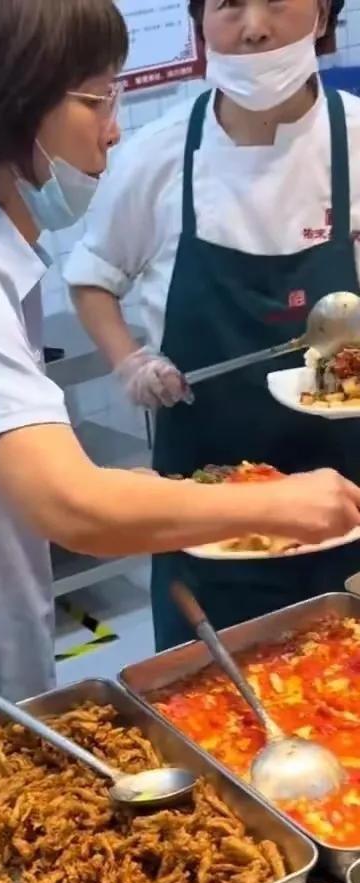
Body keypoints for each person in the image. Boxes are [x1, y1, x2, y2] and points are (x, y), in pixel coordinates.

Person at [0, 0, 360, 783]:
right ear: (13, 106)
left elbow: (21, 477)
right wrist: (280, 504)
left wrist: (135, 488)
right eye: (96, 100)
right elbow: (73, 510)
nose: (114, 130)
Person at [66, 0, 360, 652]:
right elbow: (91, 278)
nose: (254, 26)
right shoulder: (159, 155)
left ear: (322, 14)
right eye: (228, 4)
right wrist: (131, 361)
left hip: (349, 509)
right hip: (205, 519)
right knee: (206, 694)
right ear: (199, 23)